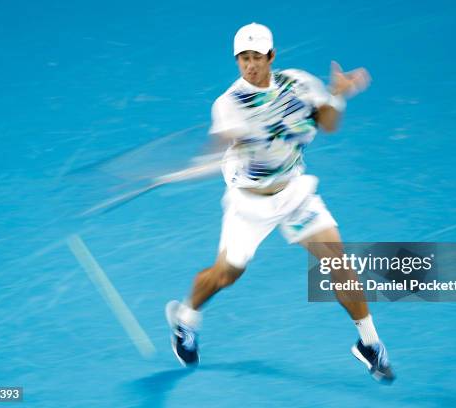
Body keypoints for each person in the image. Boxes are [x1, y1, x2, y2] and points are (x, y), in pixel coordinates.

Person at [166, 22, 395, 384]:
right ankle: (185, 317)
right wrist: (216, 153)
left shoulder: (298, 84)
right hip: (249, 204)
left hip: (294, 195)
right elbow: (222, 139)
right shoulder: (229, 104)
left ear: (271, 56)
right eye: (243, 58)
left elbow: (328, 123)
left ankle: (369, 343)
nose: (250, 65)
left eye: (257, 57)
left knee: (339, 260)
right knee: (226, 274)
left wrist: (337, 94)